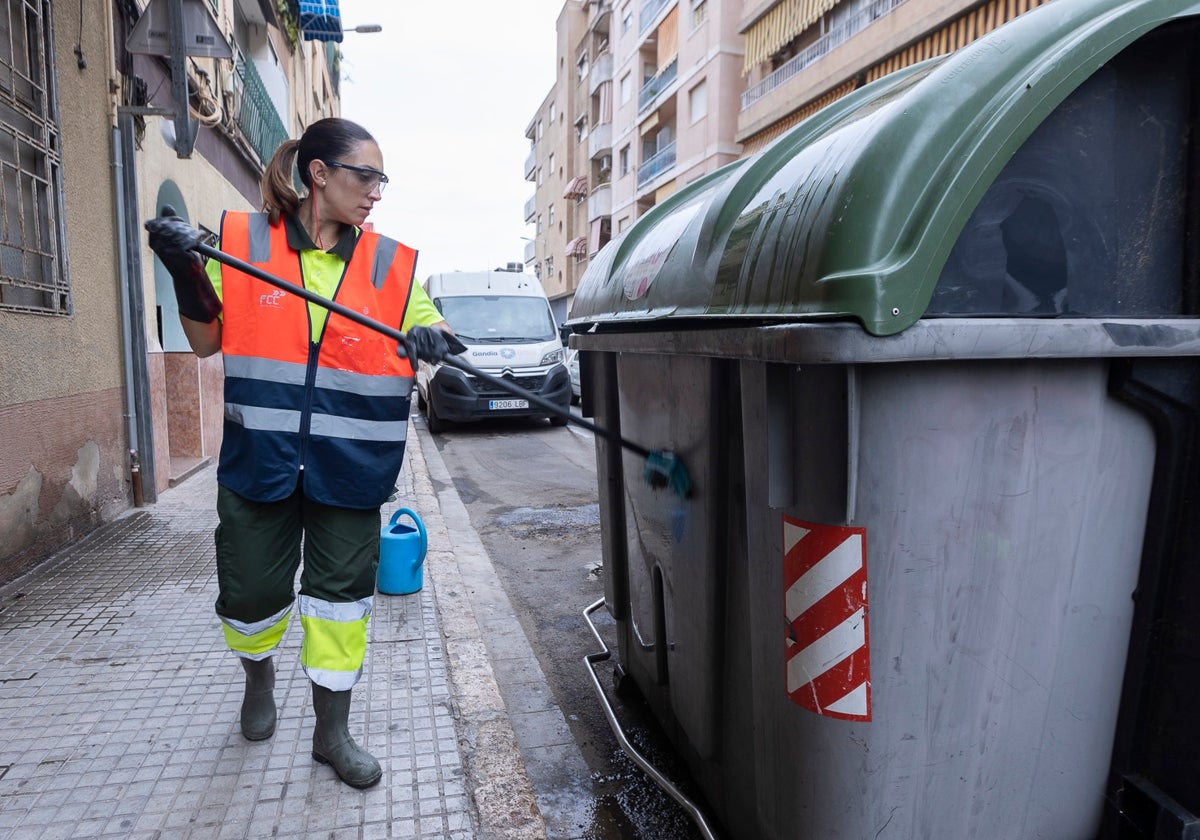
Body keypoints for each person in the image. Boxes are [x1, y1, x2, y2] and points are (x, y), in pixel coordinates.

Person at [144, 117, 463, 789]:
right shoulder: (242, 243)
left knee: (341, 604)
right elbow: (205, 342)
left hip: (352, 470)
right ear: (319, 174)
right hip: (259, 462)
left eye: (383, 178)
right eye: (365, 175)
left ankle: (331, 731)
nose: (377, 191)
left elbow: (430, 322)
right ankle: (258, 681)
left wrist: (434, 341)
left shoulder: (390, 263)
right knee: (250, 593)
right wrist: (183, 266)